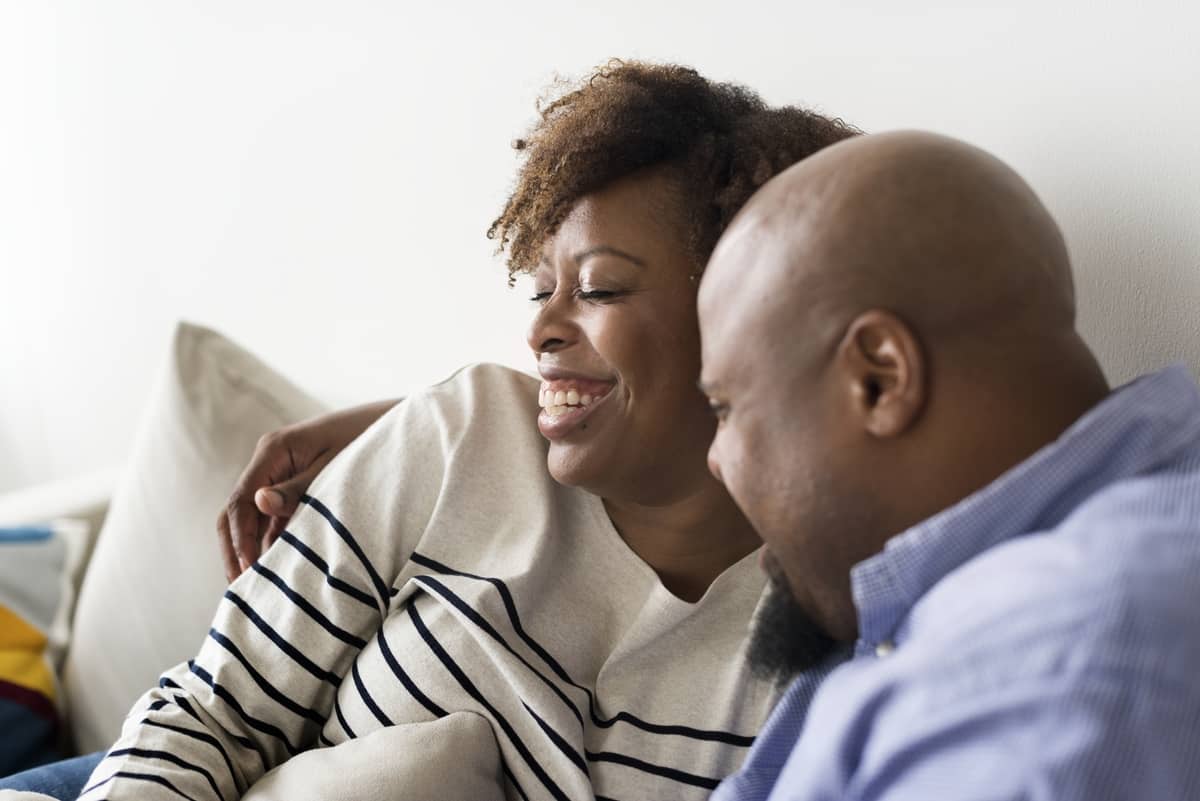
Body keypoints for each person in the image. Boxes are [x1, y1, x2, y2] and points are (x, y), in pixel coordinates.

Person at [0, 61, 857, 800]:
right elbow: (215, 710)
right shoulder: (462, 435)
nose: (542, 329)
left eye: (596, 288)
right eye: (540, 288)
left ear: (746, 313)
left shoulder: (822, 642)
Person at [697, 130, 1200, 799]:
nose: (714, 459)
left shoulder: (1058, 671)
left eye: (725, 406)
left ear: (879, 378)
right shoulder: (949, 608)